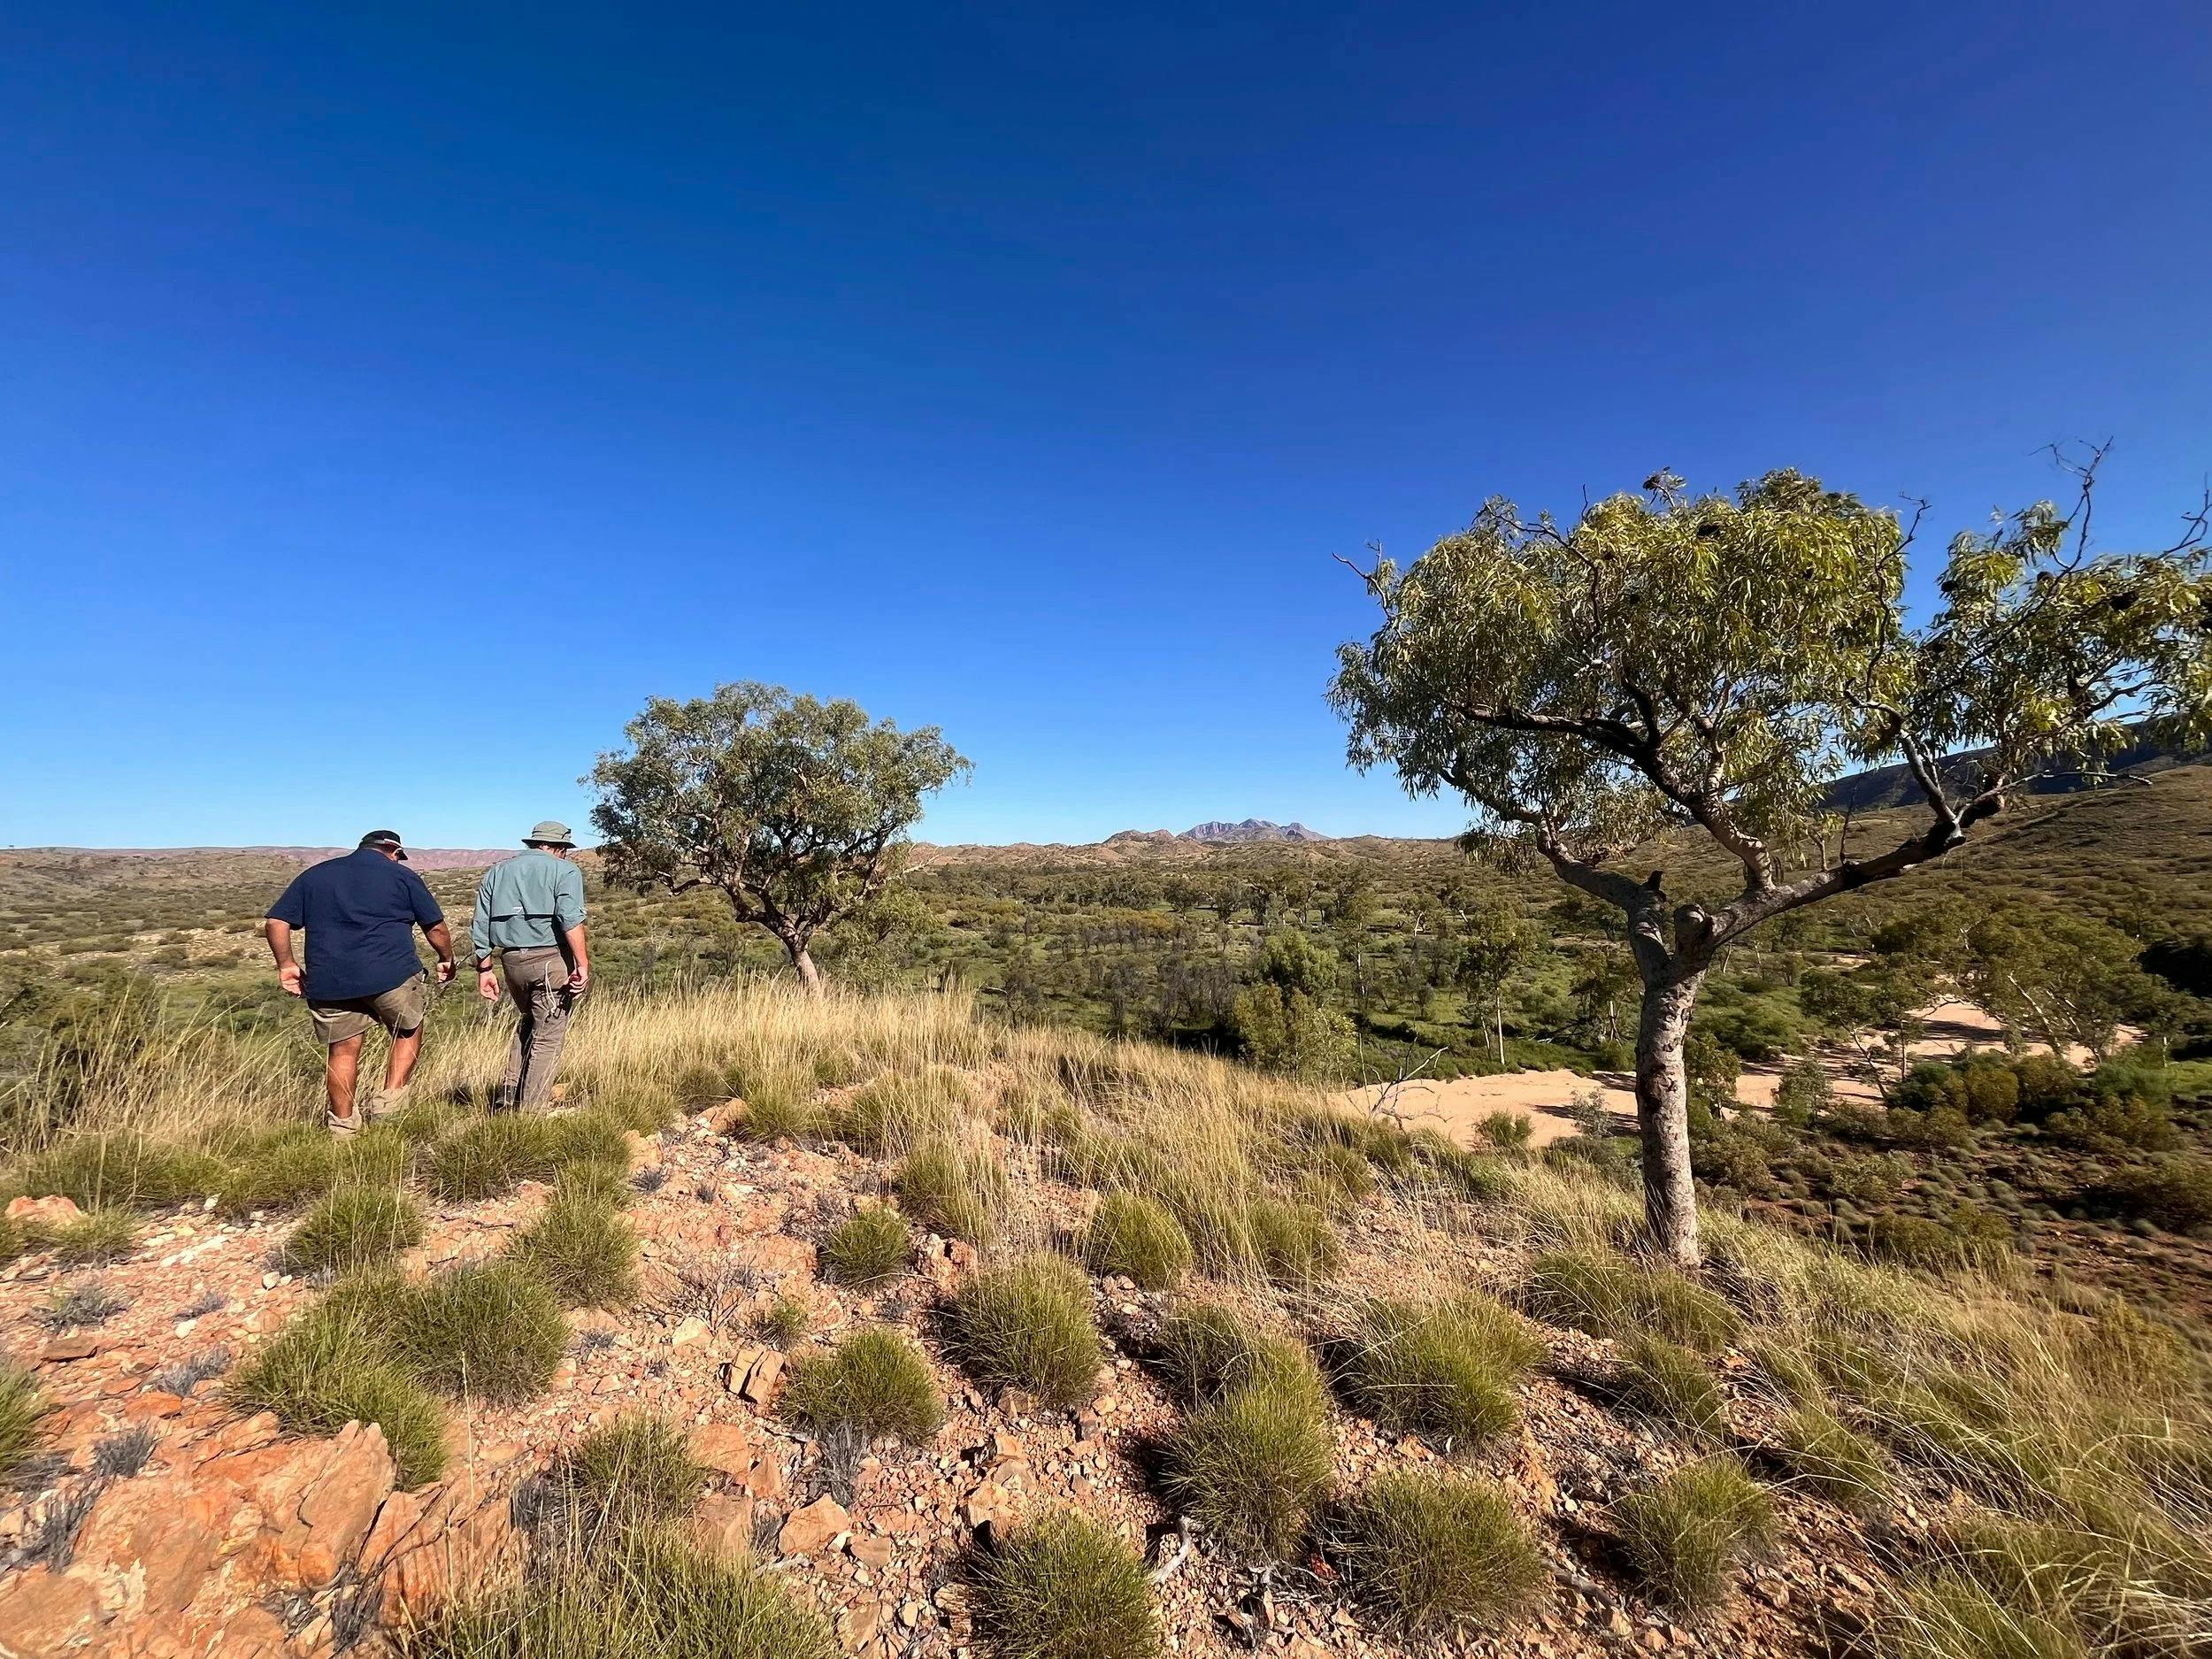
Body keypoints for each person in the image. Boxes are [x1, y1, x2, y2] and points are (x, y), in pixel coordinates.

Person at [265, 830, 456, 1136]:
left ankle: (342, 1126)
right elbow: (435, 927)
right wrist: (446, 958)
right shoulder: (401, 876)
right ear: (393, 850)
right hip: (391, 974)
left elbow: (276, 922)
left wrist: (286, 965)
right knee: (408, 1028)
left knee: (342, 1051)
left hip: (330, 980)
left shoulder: (315, 875)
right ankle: (389, 1105)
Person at [472, 819, 591, 1114]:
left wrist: (484, 969)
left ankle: (508, 1096)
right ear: (558, 847)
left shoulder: (497, 872)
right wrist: (582, 964)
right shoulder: (564, 871)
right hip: (550, 961)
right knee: (548, 1036)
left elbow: (480, 923)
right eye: (565, 849)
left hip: (511, 962)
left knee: (529, 1021)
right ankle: (530, 1113)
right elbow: (570, 919)